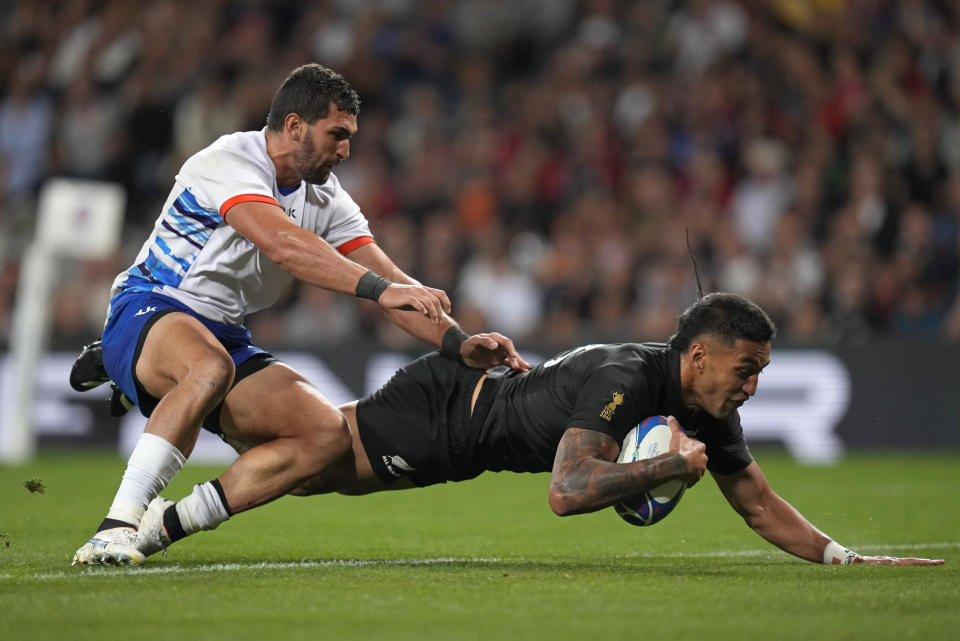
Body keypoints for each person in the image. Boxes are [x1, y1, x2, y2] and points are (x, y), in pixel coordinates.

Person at [71, 63, 529, 566]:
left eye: (350, 137)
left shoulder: (326, 198)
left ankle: (163, 525)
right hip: (153, 302)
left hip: (224, 332)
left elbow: (396, 285)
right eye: (337, 134)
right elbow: (284, 245)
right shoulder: (228, 160)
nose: (345, 149)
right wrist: (379, 291)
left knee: (324, 437)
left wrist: (458, 342)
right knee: (208, 368)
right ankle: (114, 526)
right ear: (294, 126)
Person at [133, 292, 943, 566]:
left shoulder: (705, 406)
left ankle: (159, 385)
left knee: (300, 449)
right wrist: (663, 470)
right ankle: (150, 496)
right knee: (302, 459)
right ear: (697, 355)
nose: (754, 386)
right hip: (448, 417)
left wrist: (843, 556)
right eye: (746, 369)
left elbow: (760, 503)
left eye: (762, 370)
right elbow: (568, 491)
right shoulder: (628, 380)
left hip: (468, 427)